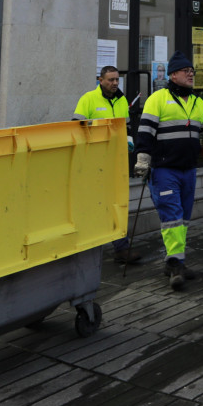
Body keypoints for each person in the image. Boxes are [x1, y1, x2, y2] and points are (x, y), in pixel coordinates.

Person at [134, 51, 203, 289]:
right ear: (173, 75)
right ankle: (176, 264)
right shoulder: (157, 99)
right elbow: (145, 132)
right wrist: (142, 160)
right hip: (164, 170)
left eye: (192, 71)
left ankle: (174, 261)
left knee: (182, 219)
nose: (191, 74)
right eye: (186, 71)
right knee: (172, 217)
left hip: (188, 170)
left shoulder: (198, 102)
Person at [74, 66, 141, 264]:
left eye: (117, 80)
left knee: (115, 204)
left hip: (116, 161)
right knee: (93, 205)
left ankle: (121, 248)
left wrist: (128, 140)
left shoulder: (121, 100)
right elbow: (76, 127)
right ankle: (86, 247)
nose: (114, 83)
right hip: (93, 162)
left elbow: (126, 126)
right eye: (110, 80)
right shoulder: (88, 99)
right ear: (100, 80)